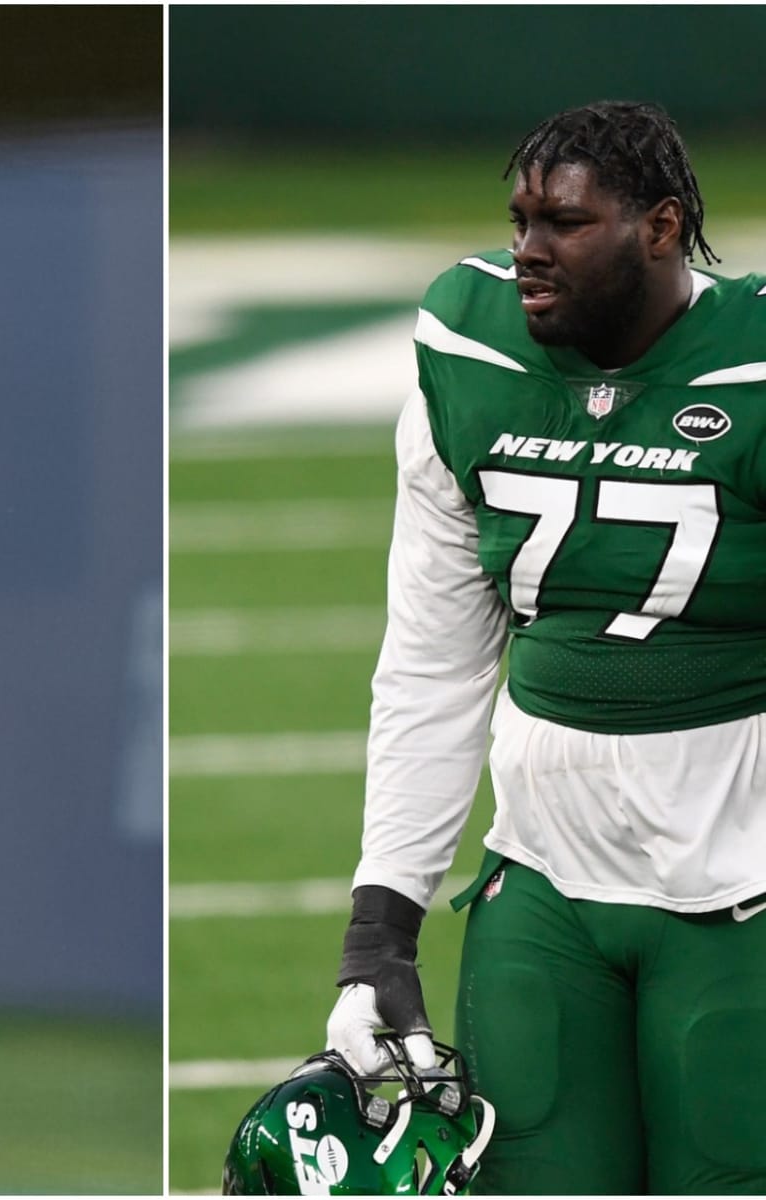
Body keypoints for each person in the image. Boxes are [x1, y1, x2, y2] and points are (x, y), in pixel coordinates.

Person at [325, 99, 766, 1194]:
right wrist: (380, 932)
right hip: (543, 886)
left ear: (661, 228)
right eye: (521, 218)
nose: (527, 250)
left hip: (743, 880)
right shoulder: (465, 352)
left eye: (565, 223)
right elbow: (434, 656)